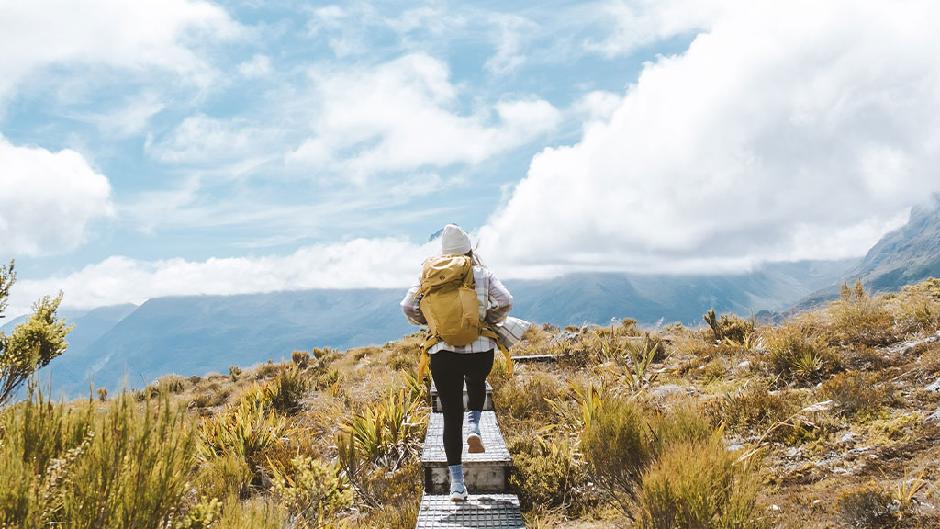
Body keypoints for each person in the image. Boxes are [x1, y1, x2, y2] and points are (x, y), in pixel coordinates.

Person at [400, 224, 513, 502]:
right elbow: (506, 301)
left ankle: (458, 485)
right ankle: (475, 427)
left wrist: (433, 323)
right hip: (480, 350)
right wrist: (486, 320)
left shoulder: (431, 274)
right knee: (476, 383)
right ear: (469, 250)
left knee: (451, 416)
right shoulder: (482, 273)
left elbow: (407, 306)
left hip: (442, 353)